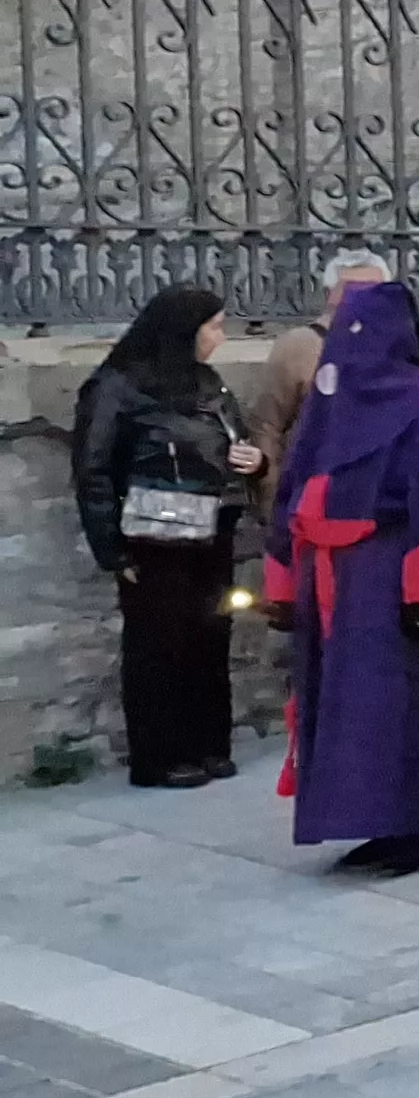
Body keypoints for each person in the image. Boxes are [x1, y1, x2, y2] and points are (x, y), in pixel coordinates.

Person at [265, 281, 419, 875]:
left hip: (392, 573)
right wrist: (288, 575)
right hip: (336, 576)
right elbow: (295, 484)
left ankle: (412, 825)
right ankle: (362, 819)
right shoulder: (330, 399)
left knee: (398, 698)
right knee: (343, 703)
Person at [74, 287, 265, 788]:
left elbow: (235, 438)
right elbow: (93, 470)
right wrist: (111, 551)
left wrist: (254, 461)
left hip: (213, 529)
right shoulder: (116, 386)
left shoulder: (208, 382)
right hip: (153, 538)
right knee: (159, 645)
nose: (221, 338)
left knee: (209, 636)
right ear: (186, 330)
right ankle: (159, 756)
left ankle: (208, 745)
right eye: (215, 326)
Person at [256, 250, 397, 501]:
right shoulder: (300, 347)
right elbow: (268, 426)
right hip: (317, 498)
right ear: (328, 294)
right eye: (351, 289)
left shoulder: (405, 344)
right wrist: (272, 496)